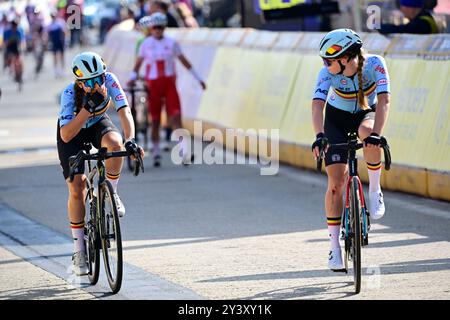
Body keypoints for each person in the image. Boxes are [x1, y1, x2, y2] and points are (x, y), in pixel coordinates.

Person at [57, 52, 144, 276]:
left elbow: (125, 111)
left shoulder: (110, 80)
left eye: (100, 78)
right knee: (78, 188)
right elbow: (66, 135)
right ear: (79, 82)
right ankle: (79, 251)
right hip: (74, 130)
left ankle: (111, 194)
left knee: (116, 145)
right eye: (91, 82)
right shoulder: (69, 93)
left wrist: (130, 139)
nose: (97, 84)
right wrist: (86, 109)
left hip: (97, 125)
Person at [311, 29, 391, 271]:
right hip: (336, 120)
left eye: (329, 60)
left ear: (345, 58)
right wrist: (320, 137)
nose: (325, 64)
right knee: (335, 184)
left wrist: (377, 134)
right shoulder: (326, 74)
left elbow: (384, 101)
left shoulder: (374, 64)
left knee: (369, 135)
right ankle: (334, 247)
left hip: (365, 114)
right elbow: (317, 107)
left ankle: (375, 189)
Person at [128, 12, 206, 167]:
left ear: (164, 28)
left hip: (169, 85)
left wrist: (199, 79)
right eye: (155, 27)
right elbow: (137, 65)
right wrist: (131, 78)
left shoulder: (172, 42)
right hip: (153, 85)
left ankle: (184, 152)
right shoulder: (145, 43)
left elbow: (185, 62)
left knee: (176, 117)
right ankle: (156, 152)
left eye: (161, 27)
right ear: (151, 28)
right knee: (155, 120)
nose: (158, 30)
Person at [2, 19, 24, 90]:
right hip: (9, 49)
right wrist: (9, 41)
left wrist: (22, 49)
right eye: (13, 25)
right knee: (10, 59)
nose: (14, 27)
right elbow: (5, 43)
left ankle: (20, 75)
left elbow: (21, 42)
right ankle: (10, 69)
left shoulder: (18, 32)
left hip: (16, 49)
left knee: (20, 62)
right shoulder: (7, 32)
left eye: (16, 25)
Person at [46, 12, 67, 78]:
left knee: (62, 56)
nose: (53, 17)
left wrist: (65, 40)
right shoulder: (49, 25)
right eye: (52, 16)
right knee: (55, 57)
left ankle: (62, 70)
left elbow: (65, 32)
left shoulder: (60, 22)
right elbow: (48, 34)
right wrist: (48, 42)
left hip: (60, 41)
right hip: (54, 42)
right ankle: (56, 71)